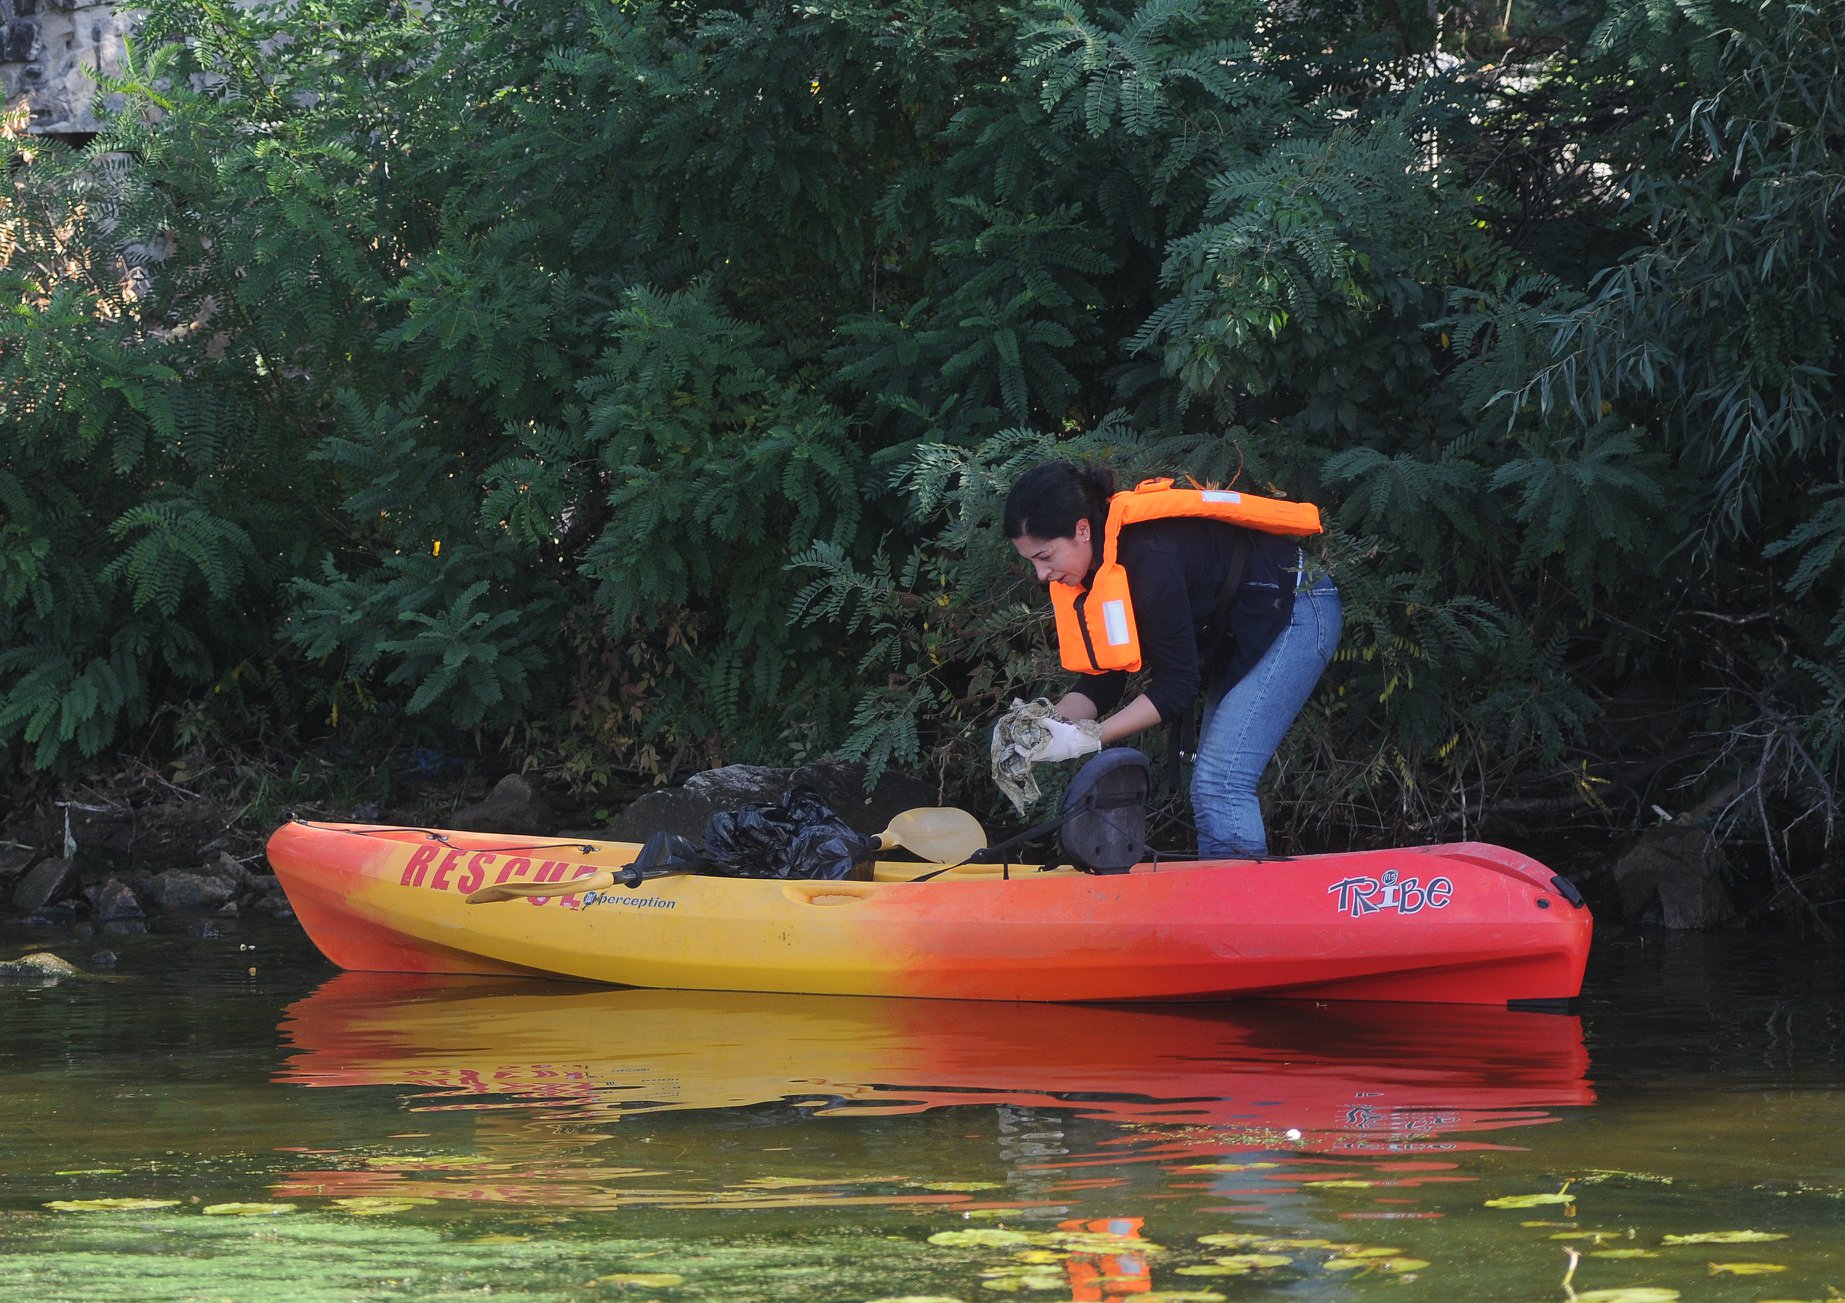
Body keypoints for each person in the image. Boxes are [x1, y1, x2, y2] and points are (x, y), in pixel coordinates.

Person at [1002, 459, 1341, 859]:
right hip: (1244, 626)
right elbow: (1103, 680)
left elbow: (1176, 688)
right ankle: (1224, 891)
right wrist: (1043, 727)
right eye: (1032, 562)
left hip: (1299, 606)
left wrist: (1088, 737)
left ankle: (1240, 897)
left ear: (1081, 530)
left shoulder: (1150, 559)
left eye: (1045, 556)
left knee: (1220, 782)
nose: (1042, 574)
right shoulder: (1094, 569)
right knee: (1214, 782)